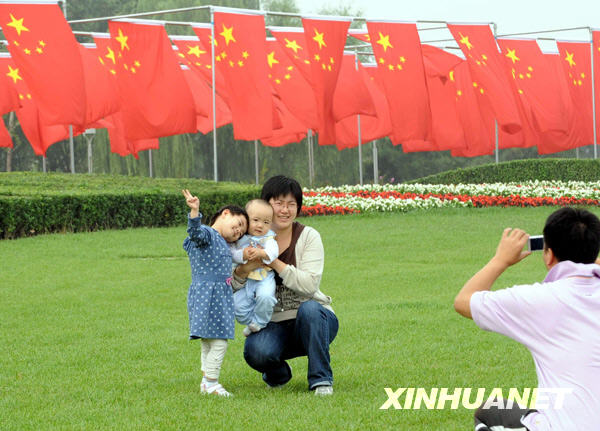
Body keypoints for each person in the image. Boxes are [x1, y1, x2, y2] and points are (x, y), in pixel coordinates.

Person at [454, 207, 600, 431]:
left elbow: (464, 301)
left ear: (549, 254)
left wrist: (500, 260)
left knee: (490, 411)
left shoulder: (539, 300)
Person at [231, 175, 339, 396]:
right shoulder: (243, 240)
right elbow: (230, 287)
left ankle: (321, 380)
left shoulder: (308, 237)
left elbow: (309, 286)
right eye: (278, 203)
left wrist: (273, 261)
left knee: (309, 309)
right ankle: (278, 374)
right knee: (256, 352)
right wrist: (244, 269)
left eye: (291, 204)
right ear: (265, 205)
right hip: (272, 324)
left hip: (314, 320)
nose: (284, 210)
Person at [181, 189, 248, 397]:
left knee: (209, 340)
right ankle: (211, 382)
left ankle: (205, 381)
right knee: (219, 341)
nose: (238, 231)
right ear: (225, 213)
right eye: (238, 224)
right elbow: (195, 233)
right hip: (208, 295)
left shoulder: (223, 243)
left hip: (215, 296)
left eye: (241, 232)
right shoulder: (209, 235)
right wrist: (194, 211)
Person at [231, 199, 279, 337]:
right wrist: (242, 255)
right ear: (246, 219)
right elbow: (232, 254)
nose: (260, 225)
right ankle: (252, 322)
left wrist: (261, 253)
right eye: (256, 220)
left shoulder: (268, 238)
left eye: (266, 222)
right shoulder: (240, 237)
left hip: (264, 277)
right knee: (236, 306)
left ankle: (260, 323)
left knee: (265, 297)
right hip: (247, 281)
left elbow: (273, 252)